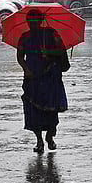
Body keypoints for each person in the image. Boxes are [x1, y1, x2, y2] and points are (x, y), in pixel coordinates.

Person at [17, 9, 68, 153]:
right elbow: (20, 56)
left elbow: (61, 51)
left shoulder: (51, 34)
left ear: (40, 21)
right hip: (32, 77)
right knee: (33, 111)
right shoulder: (24, 37)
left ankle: (50, 137)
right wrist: (26, 69)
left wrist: (49, 53)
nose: (32, 25)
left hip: (50, 77)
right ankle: (39, 141)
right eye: (29, 22)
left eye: (35, 22)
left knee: (52, 111)